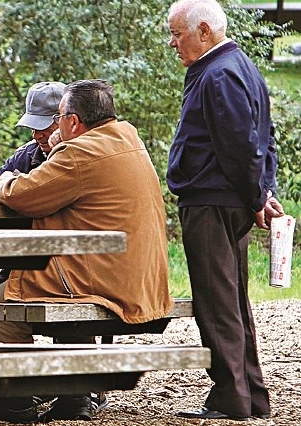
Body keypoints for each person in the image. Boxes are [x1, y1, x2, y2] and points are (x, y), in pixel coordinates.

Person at [0, 79, 172, 423]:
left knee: (2, 300)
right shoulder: (126, 138)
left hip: (102, 278)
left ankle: (15, 400)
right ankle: (73, 394)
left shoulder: (80, 152)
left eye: (60, 117)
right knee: (40, 283)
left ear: (74, 121)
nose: (55, 125)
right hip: (134, 277)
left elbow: (23, 194)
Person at [166, 0, 283, 421]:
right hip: (229, 198)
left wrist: (257, 197)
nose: (172, 43)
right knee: (232, 302)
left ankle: (230, 399)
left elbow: (241, 146)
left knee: (217, 304)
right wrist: (261, 192)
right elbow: (264, 140)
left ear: (202, 30)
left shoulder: (218, 74)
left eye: (177, 34)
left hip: (213, 201)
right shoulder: (240, 67)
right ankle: (251, 397)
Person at [0, 81, 66, 315]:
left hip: (64, 266)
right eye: (32, 126)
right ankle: (1, 350)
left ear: (64, 121)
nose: (36, 134)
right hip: (18, 265)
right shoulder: (27, 153)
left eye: (43, 126)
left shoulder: (78, 155)